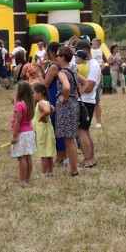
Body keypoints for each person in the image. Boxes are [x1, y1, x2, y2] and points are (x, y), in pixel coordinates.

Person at [55, 46, 81, 176]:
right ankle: (74, 168)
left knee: (68, 140)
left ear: (63, 57)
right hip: (74, 104)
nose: (56, 57)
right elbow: (85, 82)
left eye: (58, 55)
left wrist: (65, 97)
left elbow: (66, 86)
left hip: (66, 107)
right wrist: (75, 96)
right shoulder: (73, 70)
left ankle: (74, 170)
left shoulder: (62, 73)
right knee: (71, 139)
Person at [75, 40, 99, 169]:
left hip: (86, 102)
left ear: (84, 50)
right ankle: (91, 159)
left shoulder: (93, 65)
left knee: (81, 131)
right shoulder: (88, 64)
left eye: (78, 53)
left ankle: (88, 161)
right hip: (84, 101)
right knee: (85, 131)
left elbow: (89, 87)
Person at [10, 81, 37, 183]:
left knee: (21, 158)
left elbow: (17, 122)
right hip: (29, 133)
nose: (15, 92)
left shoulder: (19, 105)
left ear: (20, 92)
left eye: (16, 90)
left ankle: (22, 180)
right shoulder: (29, 103)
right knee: (28, 156)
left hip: (21, 134)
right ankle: (27, 178)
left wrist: (15, 136)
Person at [32, 83, 55, 177]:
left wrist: (41, 117)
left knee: (44, 153)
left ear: (41, 93)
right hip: (48, 129)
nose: (33, 95)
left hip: (42, 131)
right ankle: (50, 172)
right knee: (48, 152)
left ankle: (43, 173)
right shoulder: (47, 102)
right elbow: (52, 109)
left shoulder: (41, 103)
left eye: (34, 93)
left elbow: (48, 111)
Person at [90, 38, 105, 128]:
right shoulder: (96, 51)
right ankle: (96, 121)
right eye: (92, 44)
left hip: (95, 79)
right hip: (95, 77)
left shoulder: (97, 52)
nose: (92, 45)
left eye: (94, 44)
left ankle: (98, 121)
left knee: (96, 101)